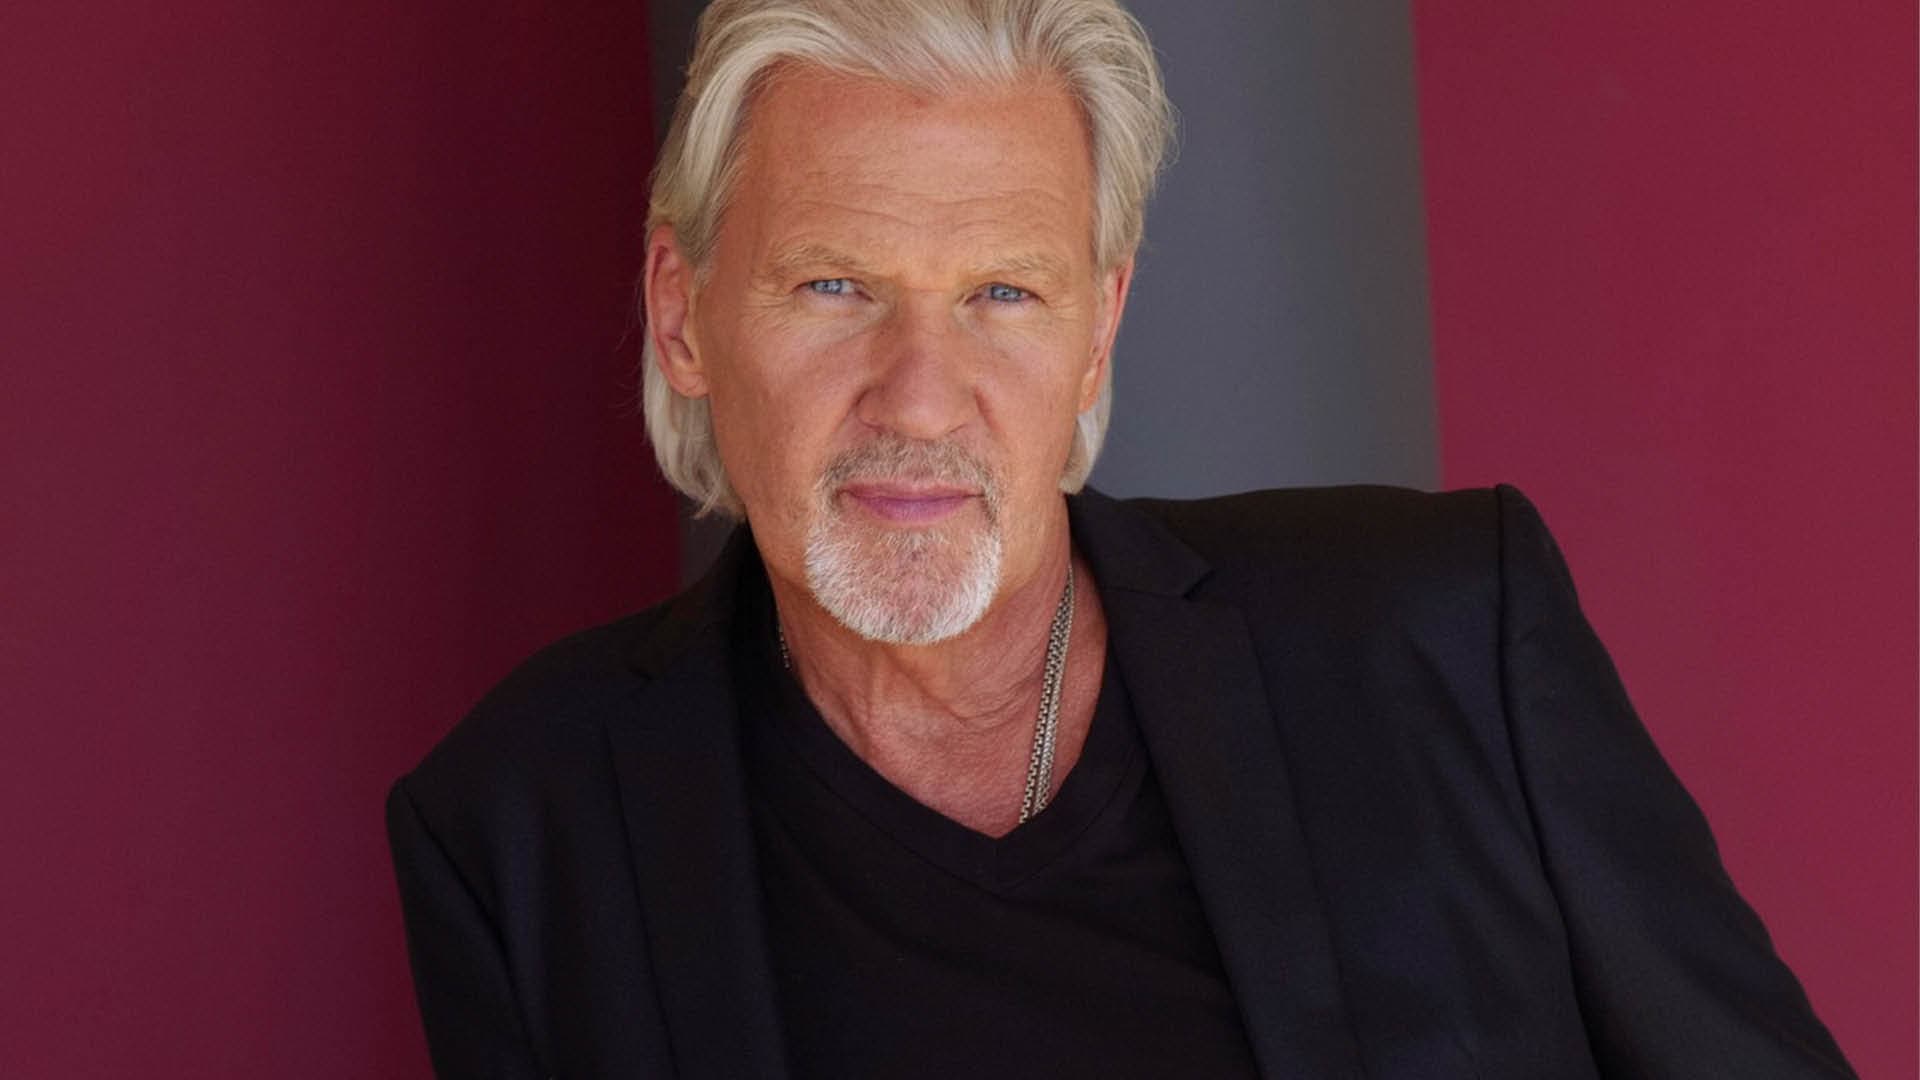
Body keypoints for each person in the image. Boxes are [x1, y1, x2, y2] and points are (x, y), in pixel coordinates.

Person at [385, 1, 1855, 1076]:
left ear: (1099, 333)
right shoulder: (521, 826)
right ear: (682, 315)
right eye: (834, 286)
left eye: (1004, 294)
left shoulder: (1440, 632)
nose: (920, 396)